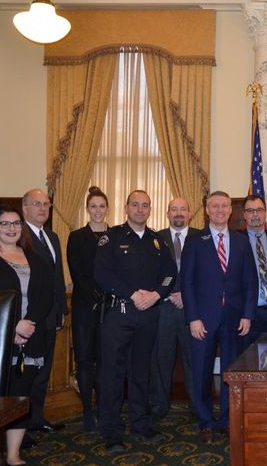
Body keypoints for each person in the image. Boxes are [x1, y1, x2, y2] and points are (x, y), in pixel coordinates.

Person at [94, 190, 177, 453]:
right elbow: (101, 273)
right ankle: (111, 431)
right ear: (126, 207)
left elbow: (169, 275)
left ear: (150, 209)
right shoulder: (112, 237)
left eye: (145, 205)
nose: (140, 209)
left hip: (148, 315)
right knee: (113, 375)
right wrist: (131, 293)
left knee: (141, 372)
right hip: (119, 315)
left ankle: (140, 423)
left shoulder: (157, 241)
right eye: (136, 205)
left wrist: (155, 295)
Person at [0, 206, 54, 465]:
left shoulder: (36, 260)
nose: (12, 228)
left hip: (31, 339)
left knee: (21, 396)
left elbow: (45, 297)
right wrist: (13, 326)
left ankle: (12, 454)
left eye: (16, 223)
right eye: (5, 223)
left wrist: (28, 324)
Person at [181, 191, 255, 444]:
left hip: (234, 319)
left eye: (224, 206)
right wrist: (192, 317)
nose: (220, 210)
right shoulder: (194, 241)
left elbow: (249, 282)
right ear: (207, 210)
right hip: (203, 319)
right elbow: (187, 283)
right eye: (215, 206)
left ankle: (226, 418)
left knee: (230, 372)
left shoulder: (241, 241)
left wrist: (247, 314)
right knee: (201, 372)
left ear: (231, 211)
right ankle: (205, 422)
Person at [21, 188, 67, 434]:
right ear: (24, 208)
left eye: (46, 205)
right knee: (27, 373)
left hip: (50, 316)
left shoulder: (52, 236)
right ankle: (20, 425)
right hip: (31, 317)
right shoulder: (19, 236)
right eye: (37, 204)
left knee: (43, 371)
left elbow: (57, 276)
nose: (42, 209)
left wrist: (61, 309)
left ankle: (36, 418)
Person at [150, 197, 199, 421]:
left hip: (194, 310)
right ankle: (160, 405)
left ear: (190, 213)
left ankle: (197, 406)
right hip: (164, 307)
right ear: (167, 213)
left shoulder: (202, 237)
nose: (178, 213)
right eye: (174, 209)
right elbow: (147, 272)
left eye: (183, 209)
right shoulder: (155, 239)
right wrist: (166, 293)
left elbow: (208, 274)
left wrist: (187, 296)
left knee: (194, 360)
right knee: (161, 359)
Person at [66, 186, 108, 431]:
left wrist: (107, 296)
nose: (98, 211)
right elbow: (77, 272)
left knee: (105, 360)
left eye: (102, 206)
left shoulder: (115, 235)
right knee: (84, 360)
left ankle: (104, 407)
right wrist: (95, 295)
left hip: (109, 309)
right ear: (87, 209)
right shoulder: (77, 236)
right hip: (84, 307)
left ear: (107, 209)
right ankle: (87, 409)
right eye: (93, 206)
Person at [240, 194, 267, 351]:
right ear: (244, 214)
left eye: (259, 210)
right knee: (247, 363)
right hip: (246, 314)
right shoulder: (235, 240)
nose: (255, 215)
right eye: (250, 211)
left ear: (265, 213)